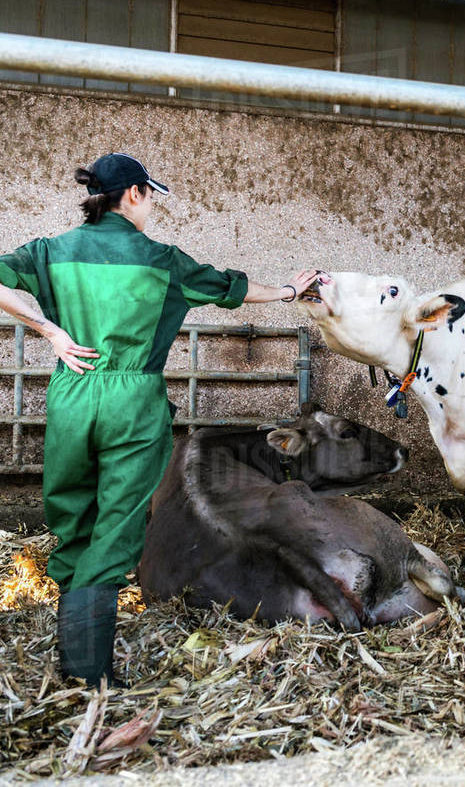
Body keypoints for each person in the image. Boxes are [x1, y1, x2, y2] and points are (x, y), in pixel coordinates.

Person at [0, 153, 319, 688]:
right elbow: (230, 289)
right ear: (132, 195)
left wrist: (50, 332)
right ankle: (89, 672)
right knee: (119, 524)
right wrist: (291, 291)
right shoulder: (162, 259)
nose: (152, 208)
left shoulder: (49, 251)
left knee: (72, 519)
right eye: (151, 196)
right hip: (133, 398)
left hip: (71, 392)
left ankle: (73, 657)